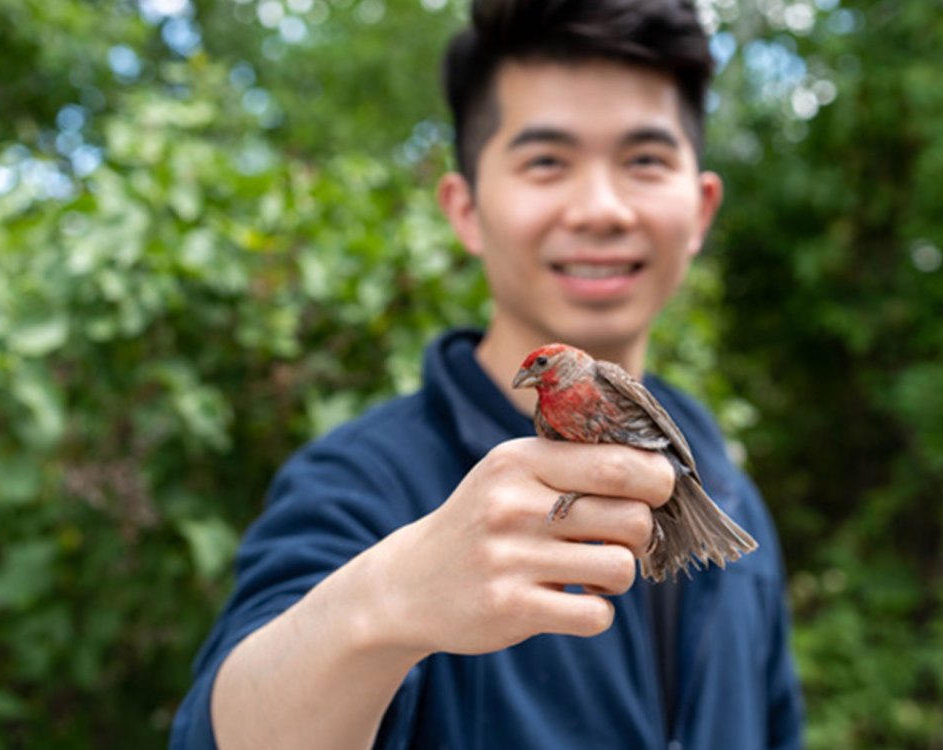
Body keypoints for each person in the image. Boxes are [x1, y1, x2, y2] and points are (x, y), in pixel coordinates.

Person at [170, 1, 804, 747]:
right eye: (546, 162)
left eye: (644, 160)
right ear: (464, 208)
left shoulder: (724, 480)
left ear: (700, 212)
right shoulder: (361, 481)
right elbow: (225, 728)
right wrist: (382, 606)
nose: (599, 209)